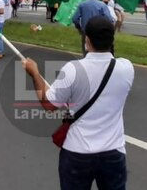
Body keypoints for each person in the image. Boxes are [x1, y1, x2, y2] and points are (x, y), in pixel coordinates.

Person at [22, 16, 134, 190]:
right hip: (113, 152)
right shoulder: (126, 68)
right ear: (112, 40)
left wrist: (34, 73)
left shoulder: (73, 69)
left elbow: (49, 105)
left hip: (77, 153)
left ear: (86, 40)